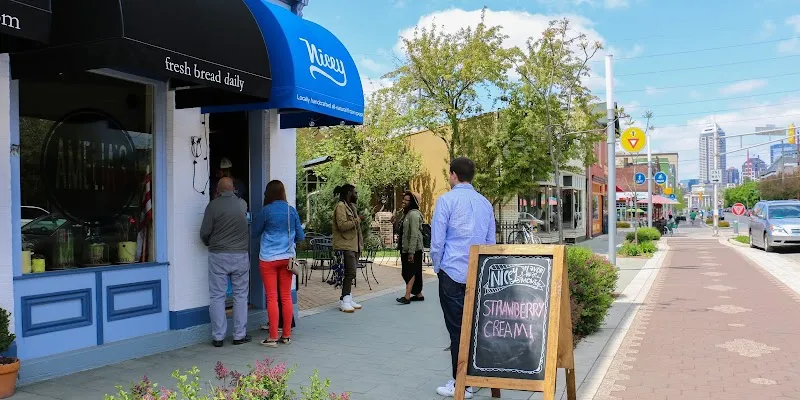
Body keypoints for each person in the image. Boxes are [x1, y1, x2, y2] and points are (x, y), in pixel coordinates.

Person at [431, 157, 496, 399]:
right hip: (478, 272)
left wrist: (438, 267)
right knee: (476, 327)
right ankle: (473, 378)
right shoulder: (485, 203)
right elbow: (491, 242)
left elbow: (437, 241)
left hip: (451, 272)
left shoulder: (446, 201)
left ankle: (462, 383)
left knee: (457, 329)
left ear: (453, 175)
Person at [251, 180, 305, 347]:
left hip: (268, 259)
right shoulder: (291, 211)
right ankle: (286, 335)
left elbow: (254, 233)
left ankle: (273, 336)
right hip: (287, 259)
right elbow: (300, 237)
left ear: (268, 193)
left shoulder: (265, 211)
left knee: (272, 298)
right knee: (286, 296)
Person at [199, 177, 251, 347]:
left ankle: (218, 337)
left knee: (217, 296)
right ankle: (239, 335)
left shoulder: (212, 206)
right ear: (233, 189)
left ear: (218, 190)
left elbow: (204, 232)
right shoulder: (242, 204)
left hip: (218, 255)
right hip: (240, 255)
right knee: (241, 296)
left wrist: (209, 242)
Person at [332, 184, 363, 313]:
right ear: (349, 193)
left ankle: (347, 298)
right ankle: (344, 300)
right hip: (345, 245)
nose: (356, 195)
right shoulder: (340, 207)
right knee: (349, 272)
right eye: (355, 192)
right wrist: (357, 220)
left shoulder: (351, 207)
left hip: (353, 245)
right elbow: (342, 226)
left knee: (351, 273)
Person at [396, 191, 425, 305]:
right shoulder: (407, 214)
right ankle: (418, 294)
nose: (403, 201)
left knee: (410, 272)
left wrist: (411, 252)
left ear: (412, 202)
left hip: (413, 249)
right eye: (403, 199)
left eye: (406, 200)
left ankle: (407, 296)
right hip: (406, 248)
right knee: (413, 272)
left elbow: (414, 233)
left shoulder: (413, 214)